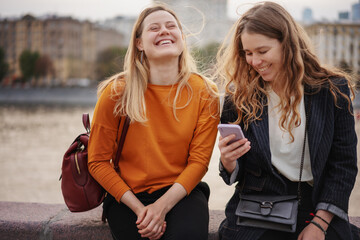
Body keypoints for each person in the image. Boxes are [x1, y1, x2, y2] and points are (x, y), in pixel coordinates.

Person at [215, 2, 359, 240]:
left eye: (262, 51)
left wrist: (320, 223)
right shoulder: (238, 96)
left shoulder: (333, 90)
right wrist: (228, 161)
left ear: (288, 45)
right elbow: (236, 175)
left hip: (316, 206)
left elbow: (343, 166)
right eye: (248, 53)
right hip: (258, 209)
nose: (254, 61)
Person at [88, 3, 219, 240]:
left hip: (182, 194)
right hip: (127, 197)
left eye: (171, 26)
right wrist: (141, 210)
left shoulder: (205, 92)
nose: (164, 31)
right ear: (139, 43)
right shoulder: (116, 92)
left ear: (181, 38)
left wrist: (161, 208)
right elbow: (97, 161)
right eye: (154, 28)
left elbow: (199, 162)